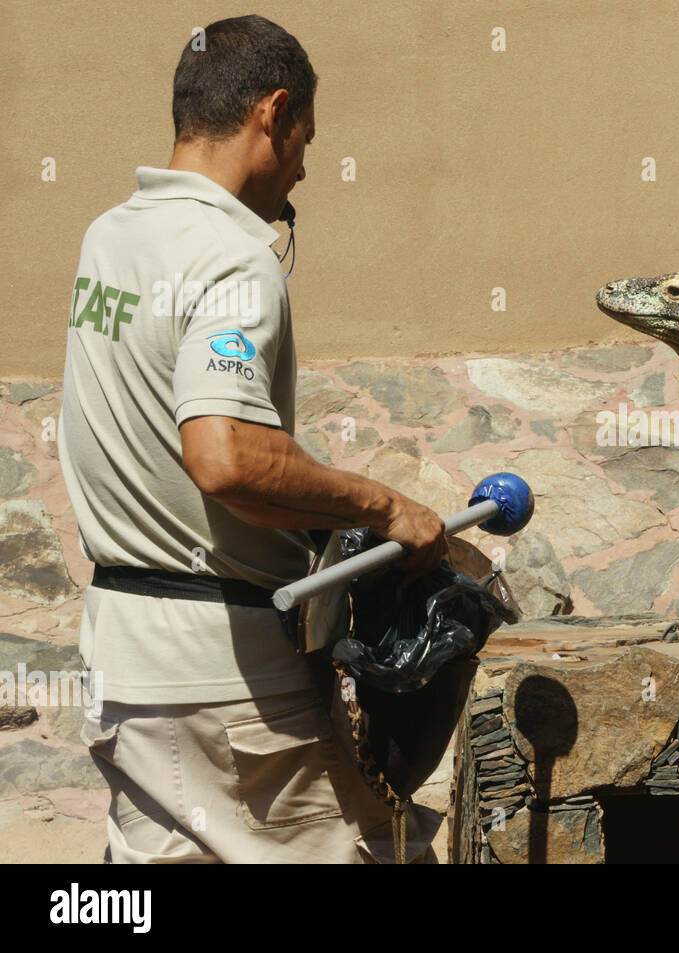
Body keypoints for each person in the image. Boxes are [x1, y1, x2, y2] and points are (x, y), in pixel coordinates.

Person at [60, 14, 449, 862]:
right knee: (383, 847)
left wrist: (312, 507)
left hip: (125, 661)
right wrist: (384, 505)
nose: (307, 166)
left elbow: (166, 439)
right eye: (307, 138)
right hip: (226, 684)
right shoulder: (233, 256)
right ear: (274, 114)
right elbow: (224, 455)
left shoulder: (109, 239)